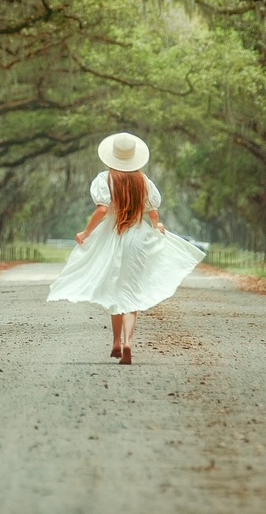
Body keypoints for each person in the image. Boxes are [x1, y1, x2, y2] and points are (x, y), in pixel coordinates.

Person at [47, 131, 205, 364]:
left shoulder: (105, 179)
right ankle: (129, 341)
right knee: (131, 291)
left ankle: (116, 343)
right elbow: (153, 211)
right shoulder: (144, 180)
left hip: (113, 236)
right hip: (138, 237)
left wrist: (86, 232)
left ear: (112, 156)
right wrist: (156, 224)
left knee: (114, 289)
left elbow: (102, 210)